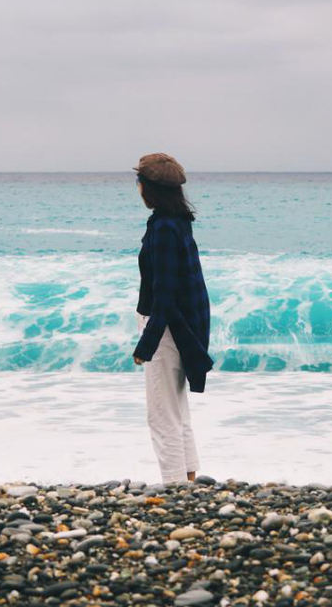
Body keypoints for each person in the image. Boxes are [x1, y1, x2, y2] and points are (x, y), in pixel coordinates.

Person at [132, 152, 214, 485]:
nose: (136, 187)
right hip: (183, 323)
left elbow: (163, 294)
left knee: (161, 413)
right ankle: (187, 477)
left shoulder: (164, 228)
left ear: (149, 189)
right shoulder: (176, 222)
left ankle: (175, 485)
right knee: (176, 407)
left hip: (165, 327)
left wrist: (146, 343)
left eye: (139, 182)